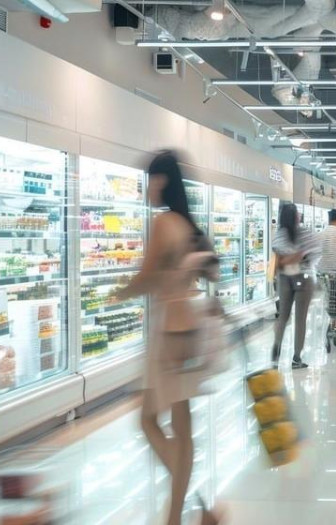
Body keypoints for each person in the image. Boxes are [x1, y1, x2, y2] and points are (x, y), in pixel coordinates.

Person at [113, 151, 222, 525]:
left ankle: (183, 512)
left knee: (147, 420)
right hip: (190, 330)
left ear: (162, 180)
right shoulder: (189, 225)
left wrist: (118, 295)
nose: (147, 188)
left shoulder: (163, 224)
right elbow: (214, 271)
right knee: (182, 426)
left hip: (169, 332)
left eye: (150, 179)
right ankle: (187, 513)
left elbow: (146, 277)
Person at [271, 203, 319, 369]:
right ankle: (297, 358)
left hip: (284, 278)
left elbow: (278, 259)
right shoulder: (306, 234)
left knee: (283, 317)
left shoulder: (279, 235)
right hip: (304, 278)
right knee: (300, 318)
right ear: (295, 217)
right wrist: (300, 256)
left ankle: (275, 353)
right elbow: (315, 253)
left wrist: (287, 259)